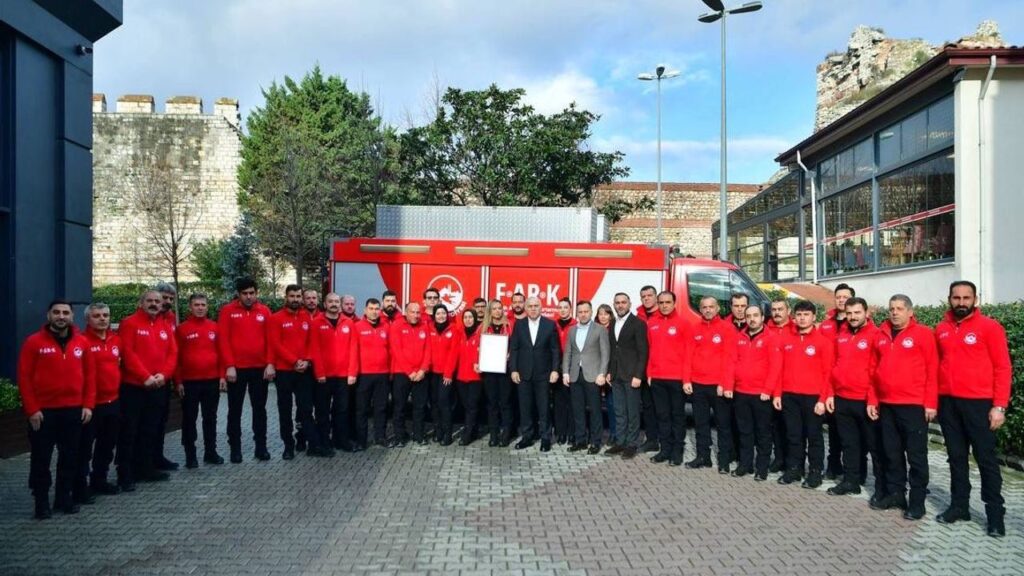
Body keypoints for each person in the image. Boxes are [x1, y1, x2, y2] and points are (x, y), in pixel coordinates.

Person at [934, 280, 1012, 537]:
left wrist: (999, 406)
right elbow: (937, 366)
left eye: (966, 298)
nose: (961, 302)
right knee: (956, 458)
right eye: (956, 298)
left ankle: (995, 515)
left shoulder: (990, 327)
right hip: (949, 404)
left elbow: (1002, 367)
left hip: (979, 404)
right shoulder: (941, 329)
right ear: (949, 299)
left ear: (975, 300)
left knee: (986, 459)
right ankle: (959, 507)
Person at [18, 300, 95, 518]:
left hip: (73, 411)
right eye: (56, 312)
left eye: (65, 313)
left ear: (72, 316)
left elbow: (90, 377)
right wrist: (32, 409)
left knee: (69, 458)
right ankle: (41, 502)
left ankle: (63, 498)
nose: (61, 316)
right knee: (41, 459)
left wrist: (88, 405)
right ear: (48, 315)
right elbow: (24, 377)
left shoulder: (82, 343)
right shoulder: (33, 342)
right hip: (43, 413)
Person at [868, 294, 937, 520]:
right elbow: (873, 370)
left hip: (913, 406)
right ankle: (897, 494)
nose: (895, 312)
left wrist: (930, 403)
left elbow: (932, 370)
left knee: (916, 456)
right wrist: (873, 399)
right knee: (892, 454)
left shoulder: (923, 334)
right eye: (892, 308)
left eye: (899, 308)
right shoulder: (881, 335)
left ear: (910, 311)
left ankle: (917, 502)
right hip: (887, 405)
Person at [825, 297, 885, 500]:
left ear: (867, 313)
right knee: (849, 444)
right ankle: (851, 481)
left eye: (857, 312)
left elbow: (877, 370)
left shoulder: (876, 335)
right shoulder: (841, 335)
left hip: (865, 400)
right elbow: (833, 366)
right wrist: (830, 393)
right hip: (842, 398)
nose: (852, 317)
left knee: (874, 446)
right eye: (849, 313)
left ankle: (881, 488)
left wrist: (872, 400)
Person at [117, 290, 178, 491]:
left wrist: (164, 375)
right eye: (149, 301)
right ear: (141, 303)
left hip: (158, 386)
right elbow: (128, 353)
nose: (154, 304)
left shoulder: (164, 325)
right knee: (129, 431)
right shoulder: (129, 323)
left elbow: (172, 353)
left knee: (150, 429)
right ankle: (125, 473)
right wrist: (145, 376)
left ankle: (146, 467)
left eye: (157, 301)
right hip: (134, 387)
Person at [773, 300, 833, 489]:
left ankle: (815, 471)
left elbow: (828, 374)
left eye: (806, 314)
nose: (802, 318)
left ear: (814, 317)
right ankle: (794, 469)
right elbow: (779, 369)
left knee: (813, 437)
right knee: (793, 435)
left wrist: (823, 399)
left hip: (813, 398)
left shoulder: (823, 342)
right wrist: (777, 394)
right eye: (799, 314)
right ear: (794, 317)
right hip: (789, 396)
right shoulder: (786, 340)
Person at [218, 277, 274, 463]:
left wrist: (270, 363)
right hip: (236, 371)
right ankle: (235, 449)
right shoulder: (227, 311)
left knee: (260, 410)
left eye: (252, 293)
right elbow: (223, 340)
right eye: (245, 294)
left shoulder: (264, 311)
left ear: (256, 293)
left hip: (259, 369)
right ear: (238, 294)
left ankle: (261, 447)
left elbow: (270, 339)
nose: (249, 297)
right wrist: (229, 366)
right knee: (235, 410)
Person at [727, 305, 780, 481]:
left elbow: (775, 366)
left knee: (763, 433)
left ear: (762, 317)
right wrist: (729, 385)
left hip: (761, 394)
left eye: (755, 315)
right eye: (748, 316)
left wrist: (768, 390)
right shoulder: (739, 337)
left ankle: (762, 468)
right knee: (745, 432)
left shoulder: (771, 338)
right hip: (741, 392)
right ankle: (745, 464)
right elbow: (732, 362)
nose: (752, 319)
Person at [175, 294, 225, 468]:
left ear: (207, 307)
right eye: (196, 305)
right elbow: (176, 358)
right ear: (190, 307)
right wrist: (178, 381)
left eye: (203, 304)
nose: (200, 308)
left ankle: (210, 452)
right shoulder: (181, 329)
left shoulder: (214, 327)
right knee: (189, 419)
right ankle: (190, 455)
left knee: (210, 418)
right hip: (190, 383)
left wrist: (222, 376)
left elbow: (221, 353)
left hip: (211, 381)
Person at [687, 296, 736, 473]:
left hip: (718, 386)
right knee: (701, 424)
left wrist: (725, 384)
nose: (708, 310)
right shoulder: (694, 328)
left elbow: (730, 359)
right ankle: (703, 457)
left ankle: (724, 460)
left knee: (723, 425)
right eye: (704, 307)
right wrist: (687, 380)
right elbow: (688, 356)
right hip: (698, 384)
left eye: (711, 307)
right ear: (700, 309)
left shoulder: (727, 328)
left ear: (717, 309)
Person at [269, 285, 318, 460]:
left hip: (304, 371)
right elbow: (276, 344)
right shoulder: (276, 318)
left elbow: (312, 342)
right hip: (284, 372)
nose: (295, 299)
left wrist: (307, 360)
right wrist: (294, 361)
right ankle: (288, 446)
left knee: (306, 409)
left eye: (298, 296)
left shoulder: (306, 317)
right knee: (285, 410)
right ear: (286, 297)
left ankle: (311, 443)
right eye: (292, 296)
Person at [79, 303, 122, 499]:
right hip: (91, 405)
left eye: (105, 315)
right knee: (84, 448)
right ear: (88, 319)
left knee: (106, 445)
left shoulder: (116, 340)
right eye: (97, 316)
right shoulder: (81, 341)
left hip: (113, 402)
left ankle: (100, 479)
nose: (102, 319)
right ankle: (81, 485)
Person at [645, 291, 692, 467]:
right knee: (662, 416)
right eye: (661, 302)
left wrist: (686, 379)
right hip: (657, 378)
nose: (664, 305)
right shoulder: (652, 323)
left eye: (668, 302)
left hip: (676, 379)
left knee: (677, 416)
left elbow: (688, 354)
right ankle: (664, 450)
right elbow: (650, 350)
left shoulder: (684, 324)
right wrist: (649, 373)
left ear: (674, 303)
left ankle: (677, 451)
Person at [510, 296, 561, 452]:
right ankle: (527, 437)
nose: (533, 309)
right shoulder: (519, 325)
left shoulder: (549, 325)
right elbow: (514, 348)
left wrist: (555, 370)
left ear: (541, 307)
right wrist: (513, 369)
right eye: (530, 306)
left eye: (536, 306)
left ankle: (545, 438)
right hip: (523, 374)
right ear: (526, 308)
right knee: (525, 408)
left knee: (544, 408)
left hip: (543, 374)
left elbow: (555, 350)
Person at [308, 293, 353, 453]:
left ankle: (340, 440)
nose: (334, 304)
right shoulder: (316, 323)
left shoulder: (348, 323)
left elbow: (353, 349)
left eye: (336, 301)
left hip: (343, 376)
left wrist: (352, 372)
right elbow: (314, 349)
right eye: (331, 301)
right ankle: (324, 441)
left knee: (342, 410)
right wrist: (319, 373)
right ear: (325, 304)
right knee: (322, 411)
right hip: (324, 377)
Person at [605, 294, 648, 459]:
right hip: (616, 375)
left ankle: (631, 444)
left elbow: (643, 352)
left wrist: (638, 375)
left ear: (630, 304)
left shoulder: (638, 324)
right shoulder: (613, 323)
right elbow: (613, 350)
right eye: (617, 303)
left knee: (632, 412)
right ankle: (620, 442)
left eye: (623, 302)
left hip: (632, 376)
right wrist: (610, 371)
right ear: (614, 305)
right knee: (619, 411)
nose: (620, 305)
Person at [563, 301, 609, 454]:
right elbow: (568, 352)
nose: (583, 314)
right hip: (575, 375)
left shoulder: (600, 329)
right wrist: (565, 372)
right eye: (580, 312)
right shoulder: (572, 330)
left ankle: (595, 442)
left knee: (595, 411)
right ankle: (580, 440)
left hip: (593, 376)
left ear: (591, 312)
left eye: (586, 311)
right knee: (577, 410)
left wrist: (602, 373)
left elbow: (605, 353)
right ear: (577, 313)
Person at [820, 283, 855, 480]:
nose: (841, 300)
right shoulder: (826, 324)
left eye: (845, 297)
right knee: (833, 430)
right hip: (830, 382)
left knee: (852, 435)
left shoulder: (857, 323)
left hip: (850, 385)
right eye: (838, 297)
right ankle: (834, 465)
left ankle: (856, 470)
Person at [349, 298, 391, 449]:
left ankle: (380, 437)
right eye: (371, 309)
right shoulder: (357, 327)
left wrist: (391, 371)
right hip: (364, 375)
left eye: (377, 309)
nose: (374, 312)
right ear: (365, 310)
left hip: (382, 375)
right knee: (362, 409)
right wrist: (353, 373)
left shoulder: (386, 326)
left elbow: (391, 350)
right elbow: (353, 351)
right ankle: (362, 440)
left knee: (381, 408)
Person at [389, 302, 431, 448]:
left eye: (418, 312)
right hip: (402, 373)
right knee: (399, 406)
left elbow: (428, 350)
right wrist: (409, 371)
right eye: (412, 312)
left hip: (420, 374)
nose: (415, 315)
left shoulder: (424, 326)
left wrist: (423, 369)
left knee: (420, 407)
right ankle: (400, 437)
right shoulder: (397, 325)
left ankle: (419, 435)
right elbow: (396, 350)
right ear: (405, 313)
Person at [152, 281, 179, 473]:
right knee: (149, 423)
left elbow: (173, 350)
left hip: (165, 377)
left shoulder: (170, 318)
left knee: (161, 421)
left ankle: (158, 456)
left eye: (171, 298)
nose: (167, 301)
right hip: (148, 379)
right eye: (165, 297)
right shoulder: (147, 317)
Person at [481, 300, 514, 447]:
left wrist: (510, 355)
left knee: (506, 403)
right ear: (490, 311)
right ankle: (493, 435)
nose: (497, 311)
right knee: (492, 404)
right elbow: (478, 348)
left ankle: (506, 434)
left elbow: (515, 346)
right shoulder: (483, 328)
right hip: (489, 371)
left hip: (504, 371)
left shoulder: (509, 326)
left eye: (499, 308)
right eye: (494, 308)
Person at [448, 310, 483, 445]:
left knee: (472, 405)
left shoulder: (480, 334)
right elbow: (453, 354)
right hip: (461, 377)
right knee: (466, 406)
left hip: (476, 377)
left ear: (475, 319)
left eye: (470, 317)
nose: (468, 320)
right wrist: (449, 373)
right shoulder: (459, 334)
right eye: (466, 317)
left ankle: (467, 435)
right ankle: (474, 429)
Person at [767, 298, 794, 472]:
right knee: (775, 426)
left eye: (780, 309)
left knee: (791, 428)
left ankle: (793, 461)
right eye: (774, 309)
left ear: (788, 311)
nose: (777, 312)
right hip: (770, 386)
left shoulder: (796, 329)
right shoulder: (765, 329)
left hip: (789, 386)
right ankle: (778, 458)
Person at [428, 305, 458, 445]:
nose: (441, 316)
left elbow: (454, 353)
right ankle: (438, 431)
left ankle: (447, 433)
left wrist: (448, 373)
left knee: (444, 401)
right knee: (434, 402)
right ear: (434, 316)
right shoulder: (429, 329)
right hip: (432, 373)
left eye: (443, 313)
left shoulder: (454, 329)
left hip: (446, 374)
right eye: (438, 313)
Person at [635, 285, 660, 453]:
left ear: (656, 297)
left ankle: (667, 441)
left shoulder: (662, 316)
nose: (647, 298)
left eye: (650, 295)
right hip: (643, 369)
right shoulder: (639, 316)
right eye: (643, 296)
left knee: (663, 408)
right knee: (648, 407)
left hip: (660, 370)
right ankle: (652, 440)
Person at [552, 297, 576, 444]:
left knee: (573, 403)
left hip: (572, 368)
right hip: (556, 368)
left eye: (565, 307)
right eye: (560, 307)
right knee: (559, 402)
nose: (562, 310)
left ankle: (572, 433)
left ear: (570, 309)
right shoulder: (552, 325)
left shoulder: (576, 325)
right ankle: (561, 433)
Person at [595, 304, 617, 441]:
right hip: (595, 372)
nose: (603, 317)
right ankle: (596, 434)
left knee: (611, 405)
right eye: (600, 314)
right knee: (595, 405)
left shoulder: (614, 329)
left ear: (610, 315)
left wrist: (609, 372)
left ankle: (614, 434)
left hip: (610, 373)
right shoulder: (593, 329)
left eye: (606, 314)